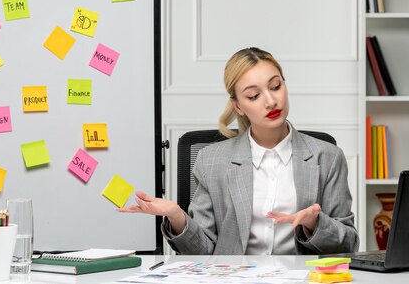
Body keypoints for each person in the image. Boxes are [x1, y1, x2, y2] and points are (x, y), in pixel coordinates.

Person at [118, 47, 359, 255]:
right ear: (238, 106)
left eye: (276, 86)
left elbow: (349, 244)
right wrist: (176, 215)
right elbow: (203, 250)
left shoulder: (327, 157)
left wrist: (314, 223)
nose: (270, 101)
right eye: (254, 95)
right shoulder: (211, 160)